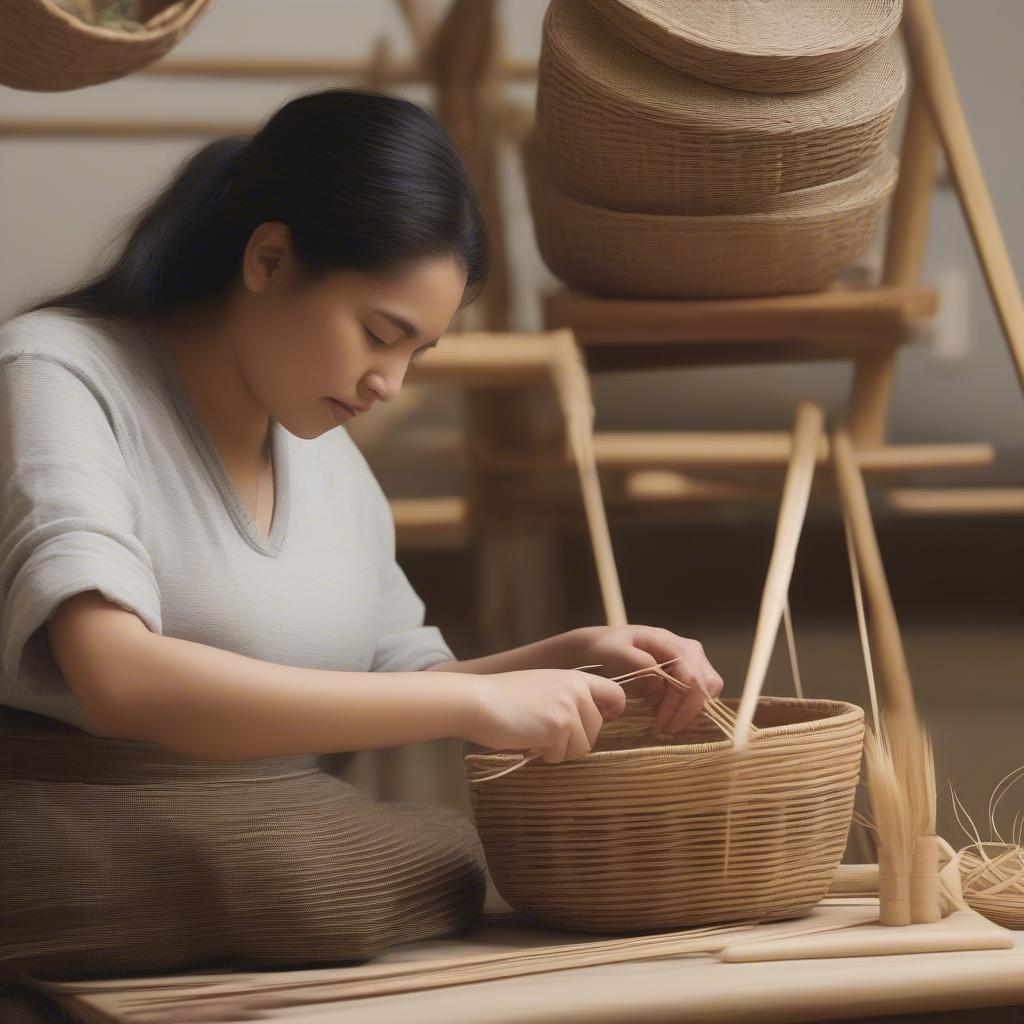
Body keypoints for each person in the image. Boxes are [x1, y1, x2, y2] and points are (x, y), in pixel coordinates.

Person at [0, 88, 723, 986]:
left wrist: (575, 659)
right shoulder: (59, 370)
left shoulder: (324, 449)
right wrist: (468, 707)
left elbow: (396, 685)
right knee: (329, 872)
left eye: (414, 356)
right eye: (380, 335)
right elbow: (116, 678)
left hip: (266, 815)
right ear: (269, 259)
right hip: (70, 810)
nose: (389, 384)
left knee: (427, 863)